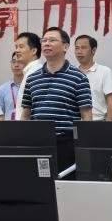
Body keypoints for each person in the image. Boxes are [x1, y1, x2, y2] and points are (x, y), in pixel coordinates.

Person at [20, 27, 92, 171]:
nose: (46, 43)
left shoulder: (78, 77)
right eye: (44, 40)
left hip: (66, 143)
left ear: (65, 47)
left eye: (52, 40)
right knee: (38, 182)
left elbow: (86, 116)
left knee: (64, 183)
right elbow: (26, 114)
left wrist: (83, 147)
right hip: (38, 142)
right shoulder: (32, 78)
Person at [74, 34, 112, 121]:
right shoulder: (73, 73)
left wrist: (108, 126)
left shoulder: (105, 71)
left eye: (83, 48)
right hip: (76, 122)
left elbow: (111, 101)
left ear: (93, 50)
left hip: (98, 121)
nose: (79, 51)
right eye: (77, 48)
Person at [0, 53, 26, 121]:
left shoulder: (31, 87)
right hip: (8, 127)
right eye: (13, 62)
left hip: (27, 126)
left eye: (20, 62)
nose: (16, 65)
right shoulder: (3, 89)